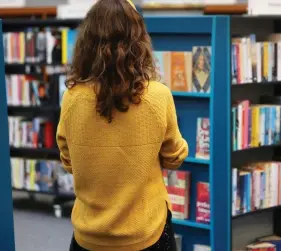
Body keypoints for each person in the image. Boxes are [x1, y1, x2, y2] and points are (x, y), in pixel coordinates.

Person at [56, 0, 188, 250]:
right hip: (145, 234)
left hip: (89, 237)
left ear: (87, 42)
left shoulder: (72, 98)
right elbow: (174, 157)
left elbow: (69, 160)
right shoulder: (158, 96)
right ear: (138, 41)